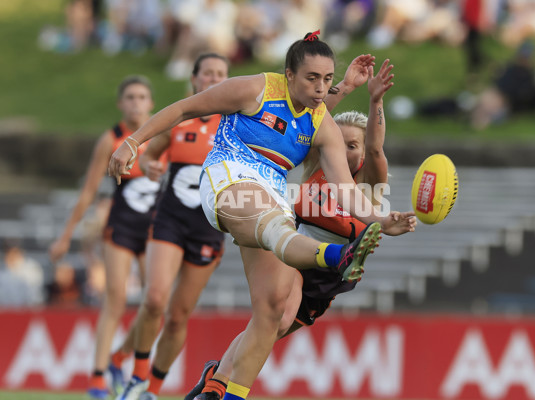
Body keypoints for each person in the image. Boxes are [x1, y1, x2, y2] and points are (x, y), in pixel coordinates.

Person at [108, 31, 416, 400]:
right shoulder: (256, 89)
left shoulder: (322, 125)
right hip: (228, 174)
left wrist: (381, 222)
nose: (321, 88)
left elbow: (347, 190)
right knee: (273, 224)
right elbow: (184, 109)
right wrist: (132, 141)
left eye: (328, 79)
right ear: (289, 75)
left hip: (271, 195)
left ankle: (222, 393)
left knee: (272, 311)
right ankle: (336, 256)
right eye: (312, 78)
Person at [186, 58, 396, 400]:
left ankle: (215, 375)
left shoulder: (368, 183)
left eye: (351, 146)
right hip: (296, 249)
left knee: (273, 328)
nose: (343, 150)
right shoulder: (319, 163)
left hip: (332, 274)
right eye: (339, 143)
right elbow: (311, 114)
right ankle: (217, 388)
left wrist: (375, 101)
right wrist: (344, 85)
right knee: (275, 319)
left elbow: (374, 147)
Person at [114, 53, 229, 400]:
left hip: (208, 228)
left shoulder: (236, 124)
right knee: (154, 299)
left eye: (221, 74)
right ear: (194, 79)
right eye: (207, 73)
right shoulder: (180, 119)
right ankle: (137, 378)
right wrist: (149, 165)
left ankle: (154, 390)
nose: (213, 79)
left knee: (178, 316)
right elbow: (152, 154)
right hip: (170, 219)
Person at [49, 75, 164, 400]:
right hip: (121, 227)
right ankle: (97, 379)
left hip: (156, 230)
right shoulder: (111, 140)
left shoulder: (162, 134)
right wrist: (65, 235)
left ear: (151, 103)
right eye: (130, 97)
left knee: (154, 304)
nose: (137, 103)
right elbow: (87, 193)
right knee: (114, 299)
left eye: (142, 97)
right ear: (120, 103)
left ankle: (122, 358)